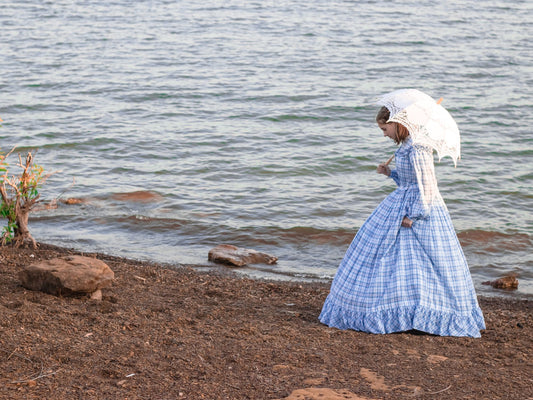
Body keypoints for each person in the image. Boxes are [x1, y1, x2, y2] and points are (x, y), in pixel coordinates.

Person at [319, 98, 485, 338]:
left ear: (397, 124)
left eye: (385, 129)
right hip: (403, 202)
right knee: (400, 262)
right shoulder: (406, 146)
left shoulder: (417, 148)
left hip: (417, 209)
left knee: (423, 262)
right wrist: (390, 173)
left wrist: (414, 215)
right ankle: (407, 311)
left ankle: (421, 312)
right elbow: (409, 181)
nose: (384, 134)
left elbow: (427, 186)